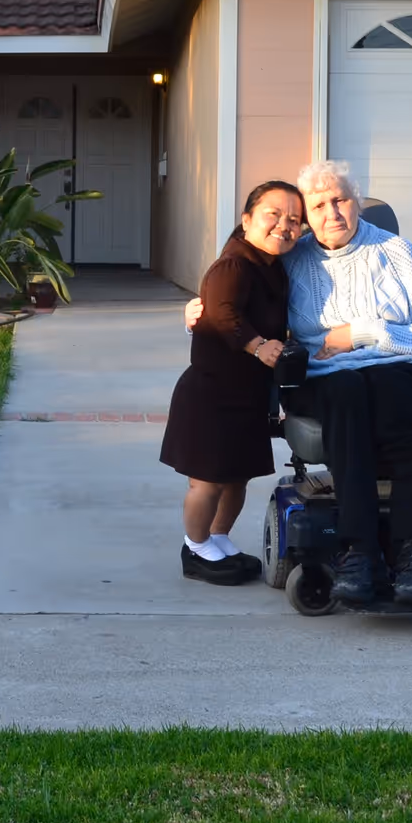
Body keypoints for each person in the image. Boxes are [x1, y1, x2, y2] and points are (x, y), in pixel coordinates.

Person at [185, 161, 412, 604]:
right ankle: (358, 552)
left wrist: (364, 334)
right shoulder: (293, 258)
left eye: (341, 200)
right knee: (346, 395)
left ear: (358, 204)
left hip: (401, 366)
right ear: (307, 215)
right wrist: (198, 310)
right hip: (329, 376)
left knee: (395, 394)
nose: (332, 212)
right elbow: (234, 288)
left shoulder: (397, 252)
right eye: (318, 204)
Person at [160, 180, 305, 585]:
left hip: (248, 394)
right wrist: (259, 346)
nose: (284, 225)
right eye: (273, 215)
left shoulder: (272, 267)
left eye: (294, 220)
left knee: (236, 476)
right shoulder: (235, 264)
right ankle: (196, 546)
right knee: (207, 480)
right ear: (246, 220)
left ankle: (217, 539)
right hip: (212, 393)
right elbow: (222, 313)